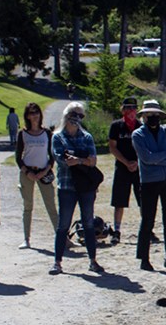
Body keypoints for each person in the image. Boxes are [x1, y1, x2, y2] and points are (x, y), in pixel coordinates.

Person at [49, 102, 104, 275]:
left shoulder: (86, 136)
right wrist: (82, 159)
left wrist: (78, 160)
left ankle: (93, 261)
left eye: (80, 115)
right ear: (66, 115)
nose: (77, 118)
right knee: (63, 224)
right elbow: (62, 160)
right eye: (74, 114)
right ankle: (57, 262)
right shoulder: (58, 137)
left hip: (86, 187)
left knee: (88, 223)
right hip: (66, 186)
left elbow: (92, 160)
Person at [131, 100, 166, 271]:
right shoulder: (138, 135)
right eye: (149, 115)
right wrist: (165, 155)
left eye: (155, 115)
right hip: (149, 181)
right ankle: (144, 258)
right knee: (148, 220)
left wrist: (159, 157)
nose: (153, 118)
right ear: (144, 116)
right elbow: (146, 158)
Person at [14, 102, 58, 249]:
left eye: (36, 112)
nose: (34, 116)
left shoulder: (46, 133)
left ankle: (62, 238)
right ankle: (26, 238)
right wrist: (27, 172)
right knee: (28, 206)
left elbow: (52, 155)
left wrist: (45, 170)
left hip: (43, 171)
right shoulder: (23, 133)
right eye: (31, 113)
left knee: (51, 205)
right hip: (28, 173)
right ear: (27, 116)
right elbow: (18, 157)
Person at [108, 97, 142, 244]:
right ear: (122, 109)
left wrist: (137, 163)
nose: (130, 111)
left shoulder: (140, 126)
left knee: (143, 200)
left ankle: (147, 229)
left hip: (139, 168)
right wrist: (126, 162)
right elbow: (112, 147)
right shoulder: (116, 126)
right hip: (122, 167)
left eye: (133, 108)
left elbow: (145, 147)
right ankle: (117, 230)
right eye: (127, 108)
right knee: (119, 201)